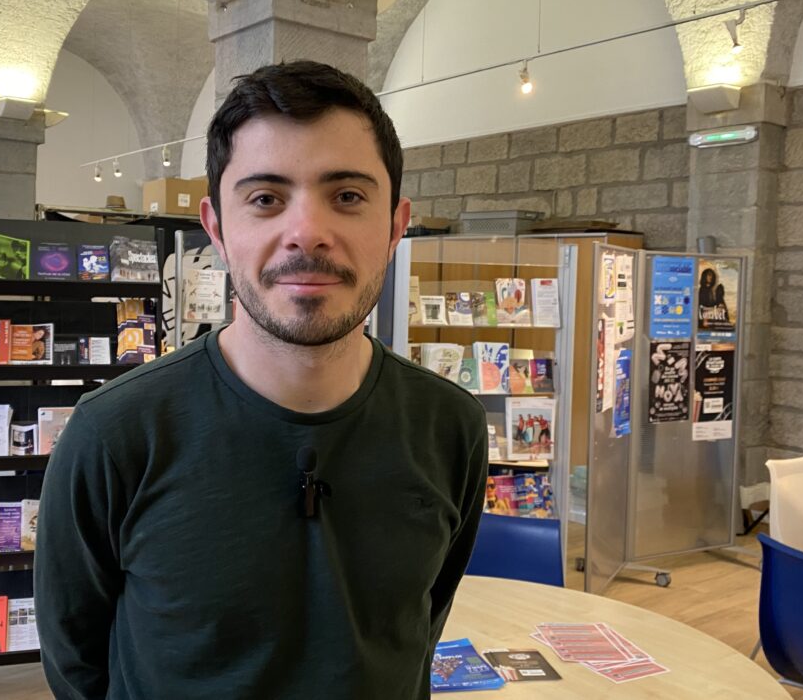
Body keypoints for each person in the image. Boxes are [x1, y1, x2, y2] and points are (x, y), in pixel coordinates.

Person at [35, 60, 488, 699]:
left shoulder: (450, 427)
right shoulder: (116, 433)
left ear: (395, 226)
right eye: (266, 198)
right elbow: (75, 659)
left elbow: (418, 626)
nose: (307, 232)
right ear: (217, 228)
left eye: (348, 196)